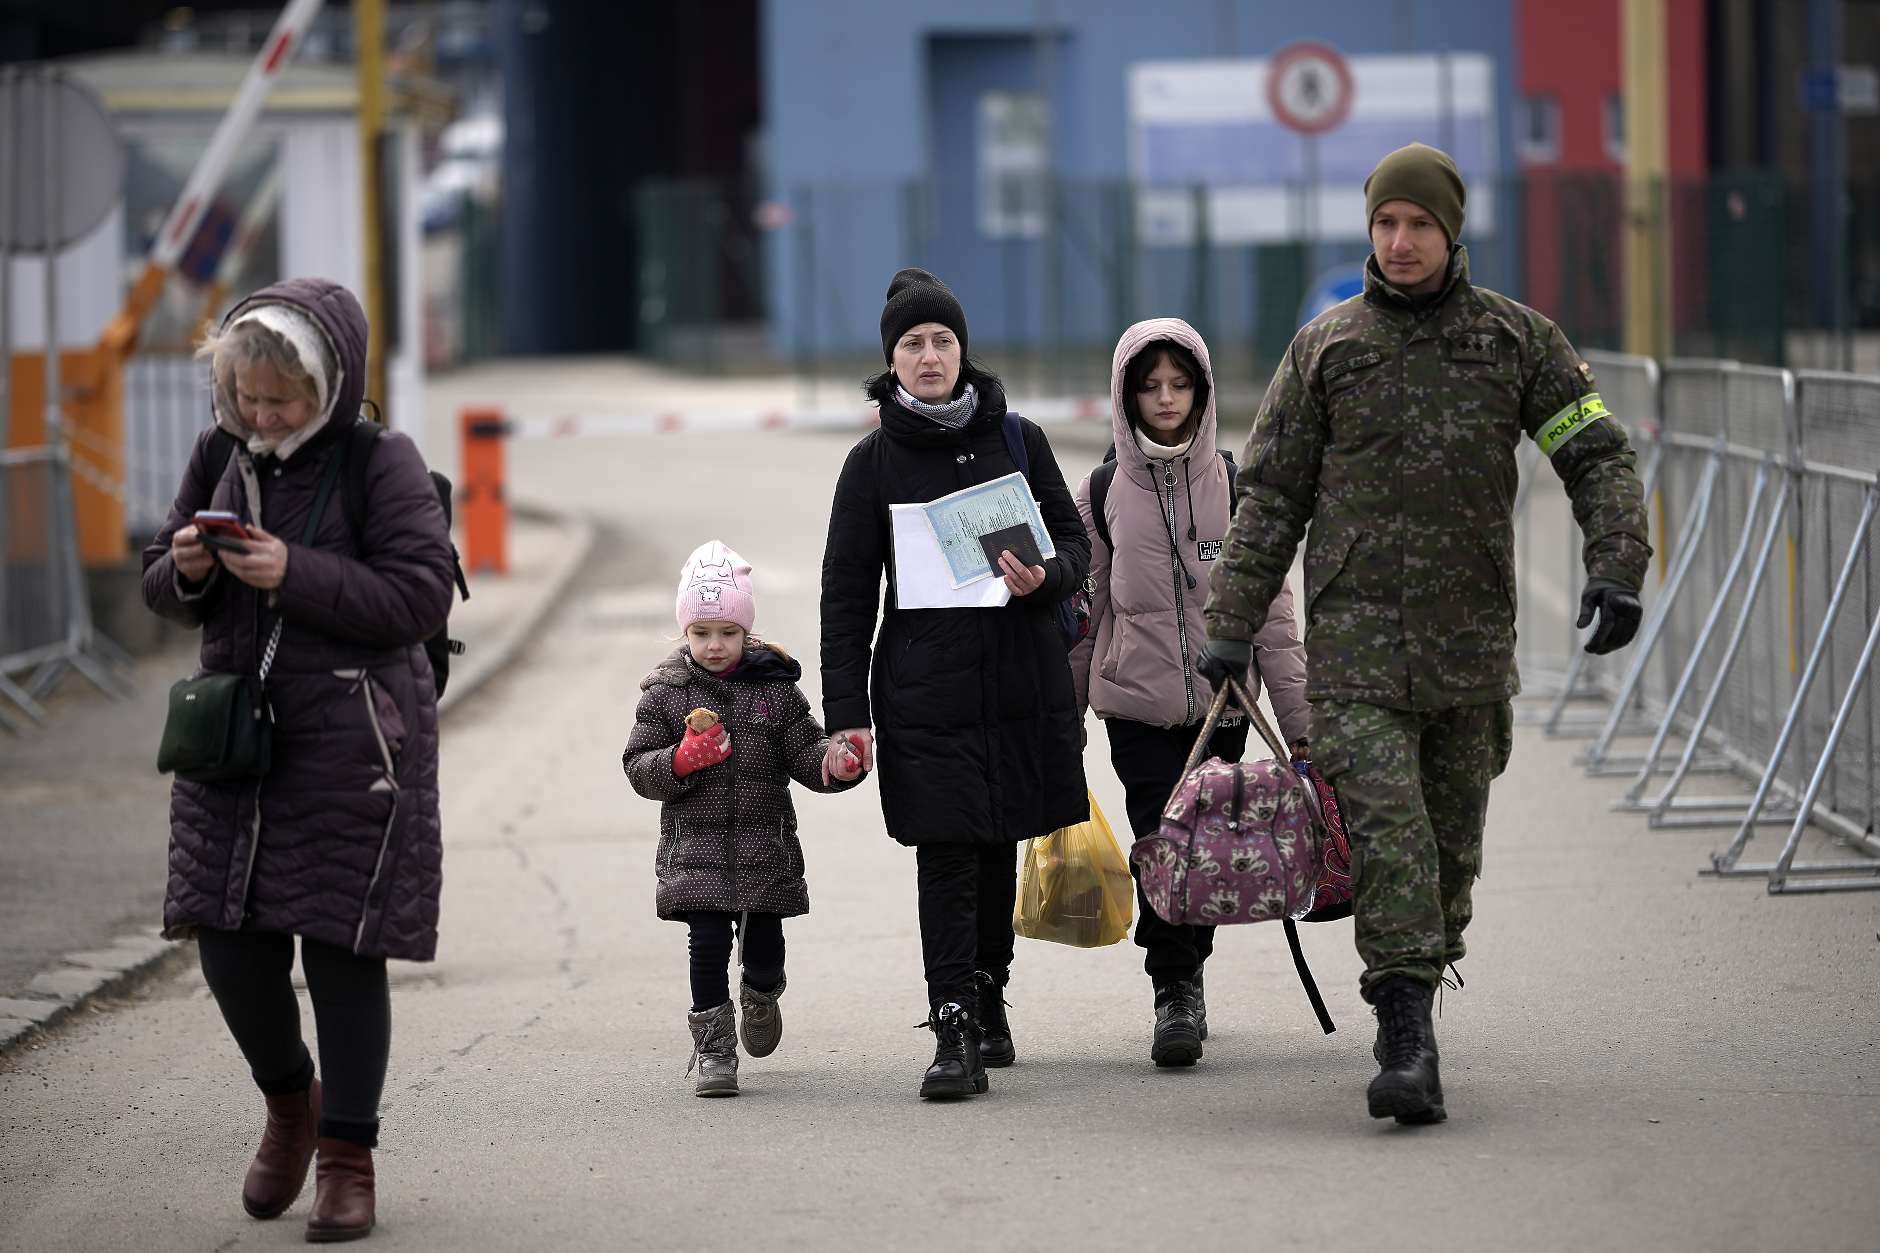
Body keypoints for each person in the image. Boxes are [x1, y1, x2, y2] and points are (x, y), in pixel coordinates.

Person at [1201, 143, 1650, 1125]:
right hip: (1355, 648)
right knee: (1389, 834)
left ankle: (1421, 972)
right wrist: (1231, 621)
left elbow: (1596, 454)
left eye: (1418, 225)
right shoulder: (1325, 348)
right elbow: (1270, 494)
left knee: (1448, 851)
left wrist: (1614, 563)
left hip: (1469, 648)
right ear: (1368, 232)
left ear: (1450, 233)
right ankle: (1402, 1032)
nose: (1399, 242)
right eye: (1384, 224)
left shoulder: (1515, 341)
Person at [143, 278, 456, 1240]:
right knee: (229, 943)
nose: (261, 414)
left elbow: (418, 598)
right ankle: (291, 1104)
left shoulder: (379, 461)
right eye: (246, 396)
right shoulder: (217, 453)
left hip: (355, 740)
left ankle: (347, 1157)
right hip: (235, 741)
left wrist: (296, 572)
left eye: (279, 398)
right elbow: (160, 581)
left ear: (328, 384)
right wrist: (187, 569)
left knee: (340, 947)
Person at [820, 268, 1090, 1099]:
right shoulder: (870, 464)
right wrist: (846, 716)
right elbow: (846, 592)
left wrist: (1040, 577)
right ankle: (951, 1023)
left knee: (996, 844)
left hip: (1016, 680)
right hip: (923, 692)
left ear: (963, 350)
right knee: (944, 852)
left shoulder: (1019, 439)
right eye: (912, 343)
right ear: (891, 362)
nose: (930, 355)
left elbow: (1077, 549)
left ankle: (988, 990)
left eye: (942, 340)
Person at [1069, 318, 1312, 1068]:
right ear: (1127, 395)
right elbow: (1087, 612)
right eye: (1150, 386)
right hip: (1135, 706)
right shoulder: (1104, 489)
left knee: (1209, 846)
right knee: (1160, 839)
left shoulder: (1236, 487)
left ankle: (1190, 966)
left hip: (1222, 706)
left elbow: (1272, 611)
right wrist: (1060, 720)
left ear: (1201, 392)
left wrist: (1301, 725)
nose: (1166, 398)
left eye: (1179, 384)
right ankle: (1172, 988)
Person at [624, 541, 864, 1097]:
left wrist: (835, 762)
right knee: (706, 945)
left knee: (763, 951)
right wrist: (681, 760)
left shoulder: (773, 690)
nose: (714, 645)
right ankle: (713, 1050)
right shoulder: (664, 696)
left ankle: (762, 993)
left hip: (763, 847)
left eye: (728, 633)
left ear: (747, 632)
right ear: (684, 632)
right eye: (702, 632)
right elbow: (637, 766)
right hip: (696, 853)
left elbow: (804, 753)